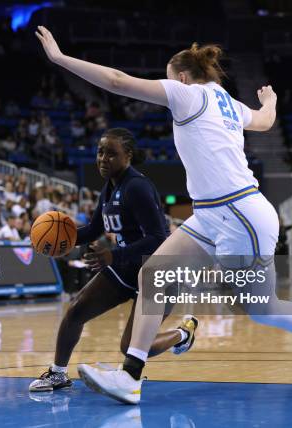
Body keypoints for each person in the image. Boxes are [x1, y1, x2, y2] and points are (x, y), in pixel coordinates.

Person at [35, 26, 292, 404]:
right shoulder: (228, 102)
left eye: (167, 76)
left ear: (180, 77)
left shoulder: (187, 94)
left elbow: (116, 81)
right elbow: (264, 121)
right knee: (154, 273)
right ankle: (130, 376)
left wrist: (60, 59)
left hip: (239, 211)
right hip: (213, 214)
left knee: (262, 309)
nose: (165, 82)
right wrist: (271, 100)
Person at [29, 128, 198, 392]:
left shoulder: (137, 187)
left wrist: (112, 255)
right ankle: (58, 374)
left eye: (111, 154)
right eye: (100, 152)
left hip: (157, 274)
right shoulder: (110, 188)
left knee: (130, 347)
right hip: (125, 269)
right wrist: (60, 240)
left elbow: (158, 239)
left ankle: (182, 334)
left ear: (127, 156)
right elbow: (95, 228)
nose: (103, 159)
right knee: (76, 311)